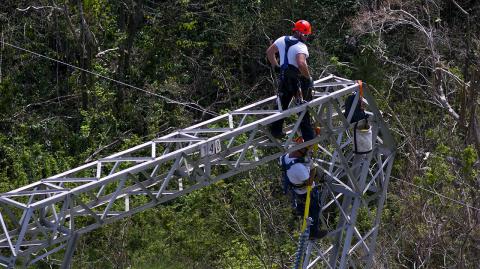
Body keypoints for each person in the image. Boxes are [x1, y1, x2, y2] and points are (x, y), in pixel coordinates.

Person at [267, 19, 315, 141]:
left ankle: (276, 131)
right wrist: (308, 77)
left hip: (284, 78)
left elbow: (270, 52)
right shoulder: (301, 46)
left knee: (282, 104)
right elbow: (301, 64)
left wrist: (277, 66)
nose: (306, 38)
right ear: (299, 33)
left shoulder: (282, 39)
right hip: (296, 80)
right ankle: (308, 136)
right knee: (302, 107)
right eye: (305, 35)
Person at [280, 140, 327, 240]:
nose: (308, 153)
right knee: (314, 210)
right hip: (306, 191)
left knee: (303, 207)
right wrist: (313, 169)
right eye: (306, 151)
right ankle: (313, 233)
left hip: (296, 190)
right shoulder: (298, 168)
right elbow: (309, 183)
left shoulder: (285, 157)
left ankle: (301, 212)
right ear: (299, 151)